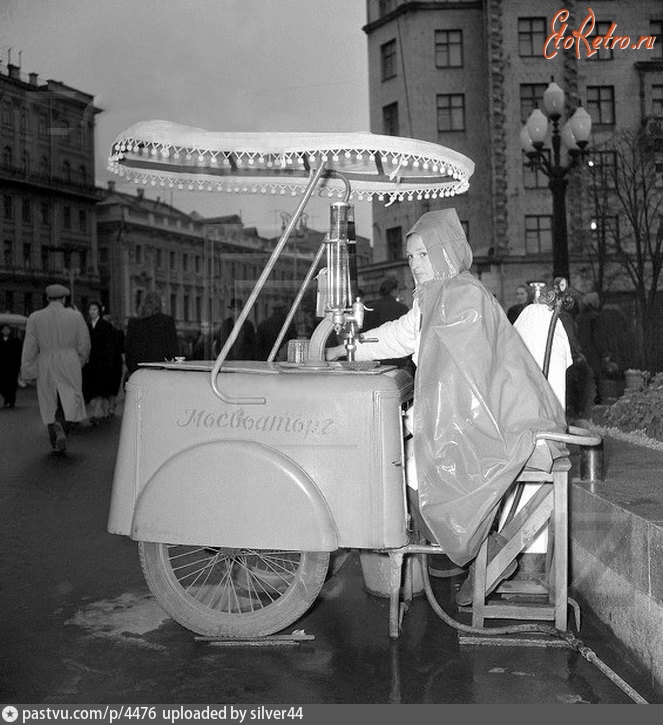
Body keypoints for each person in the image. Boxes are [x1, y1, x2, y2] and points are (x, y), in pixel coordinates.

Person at [326, 209, 567, 588]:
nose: (415, 264)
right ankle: (465, 554)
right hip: (473, 414)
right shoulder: (436, 295)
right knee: (405, 463)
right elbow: (405, 335)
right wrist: (348, 350)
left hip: (491, 419)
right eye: (410, 257)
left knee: (404, 468)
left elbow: (462, 383)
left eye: (423, 254)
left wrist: (418, 420)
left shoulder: (461, 294)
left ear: (445, 251)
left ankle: (470, 553)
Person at [20, 283, 91, 453]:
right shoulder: (75, 317)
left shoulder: (35, 317)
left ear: (47, 298)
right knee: (70, 396)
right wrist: (81, 360)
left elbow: (29, 346)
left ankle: (54, 435)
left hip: (46, 359)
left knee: (49, 399)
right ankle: (63, 425)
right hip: (69, 359)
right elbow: (85, 344)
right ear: (64, 298)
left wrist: (28, 368)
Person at [362, 276, 411, 370]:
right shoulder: (402, 308)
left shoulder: (371, 307)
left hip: (376, 357)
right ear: (394, 290)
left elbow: (365, 332)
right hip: (397, 359)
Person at [125, 291, 179, 376]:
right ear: (159, 304)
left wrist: (132, 369)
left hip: (138, 371)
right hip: (159, 370)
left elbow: (128, 349)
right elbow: (172, 348)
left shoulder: (133, 322)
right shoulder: (166, 321)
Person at [82, 301, 116, 424]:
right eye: (90, 310)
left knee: (101, 390)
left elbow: (109, 345)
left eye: (95, 309)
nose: (92, 312)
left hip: (102, 363)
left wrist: (109, 362)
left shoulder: (105, 326)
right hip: (91, 363)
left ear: (99, 311)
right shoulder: (86, 325)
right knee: (95, 389)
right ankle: (99, 413)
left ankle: (101, 413)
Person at [103, 310, 125, 418]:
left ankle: (108, 407)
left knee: (107, 387)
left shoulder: (101, 334)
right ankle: (111, 408)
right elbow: (122, 348)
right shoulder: (119, 333)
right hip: (116, 363)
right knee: (113, 387)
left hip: (104, 363)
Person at [0, 324, 23, 408]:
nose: (6, 331)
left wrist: (18, 364)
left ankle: (11, 400)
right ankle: (6, 399)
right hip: (2, 367)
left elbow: (19, 353)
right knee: (2, 384)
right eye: (4, 329)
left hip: (12, 367)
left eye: (7, 329)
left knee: (12, 384)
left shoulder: (16, 341)